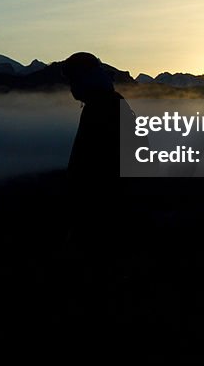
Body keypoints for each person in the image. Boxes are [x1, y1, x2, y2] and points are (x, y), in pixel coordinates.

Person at [61, 53, 135, 255]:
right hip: (109, 212)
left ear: (84, 78)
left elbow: (92, 164)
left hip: (101, 215)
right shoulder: (107, 103)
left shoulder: (101, 108)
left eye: (73, 79)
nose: (71, 87)